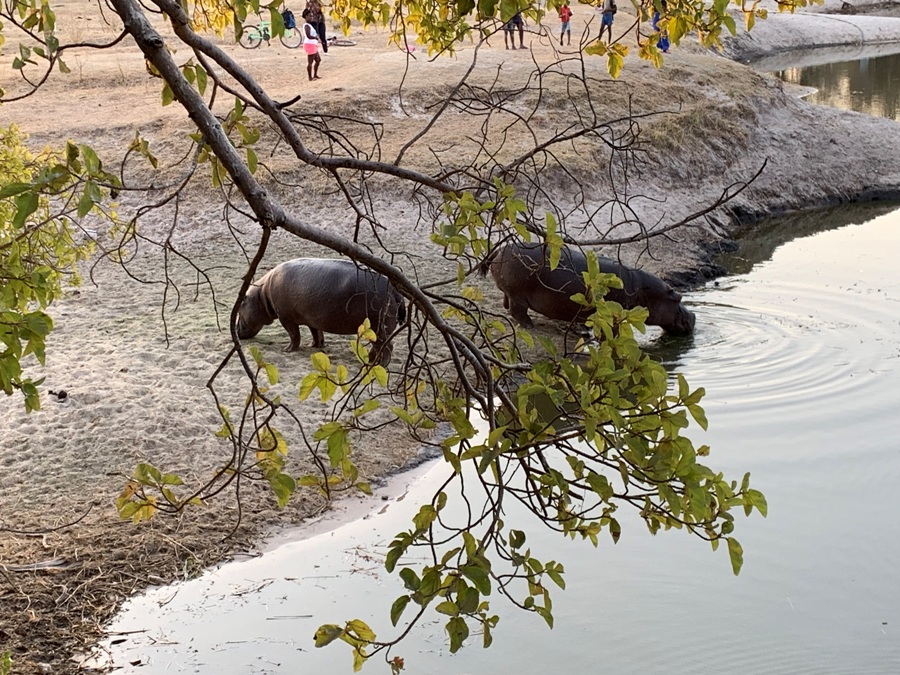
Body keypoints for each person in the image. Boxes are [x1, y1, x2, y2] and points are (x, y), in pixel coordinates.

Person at [301, 9, 321, 80]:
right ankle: (310, 77)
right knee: (310, 62)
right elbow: (308, 35)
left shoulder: (309, 25)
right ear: (305, 16)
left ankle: (315, 75)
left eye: (312, 16)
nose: (311, 18)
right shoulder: (306, 26)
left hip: (313, 45)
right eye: (309, 16)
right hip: (310, 45)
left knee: (318, 60)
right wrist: (315, 38)